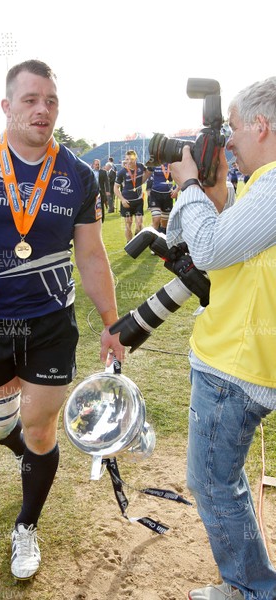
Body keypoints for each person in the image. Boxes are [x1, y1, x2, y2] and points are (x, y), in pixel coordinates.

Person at [0, 59, 124, 582]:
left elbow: (94, 255)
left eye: (51, 101)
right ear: (7, 106)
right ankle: (37, 462)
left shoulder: (78, 174)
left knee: (37, 428)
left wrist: (111, 320)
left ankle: (26, 524)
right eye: (31, 100)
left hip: (51, 323)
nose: (43, 110)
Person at [167, 76, 276, 600]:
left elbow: (206, 250)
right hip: (238, 358)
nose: (229, 141)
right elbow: (227, 246)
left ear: (262, 124)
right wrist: (211, 192)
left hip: (236, 366)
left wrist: (190, 185)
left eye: (233, 129)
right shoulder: (265, 184)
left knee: (213, 485)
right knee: (219, 482)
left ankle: (252, 590)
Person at [113, 150, 151, 241]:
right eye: (127, 159)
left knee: (139, 223)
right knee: (128, 225)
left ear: (135, 158)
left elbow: (148, 172)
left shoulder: (141, 166)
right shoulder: (122, 172)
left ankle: (138, 236)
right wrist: (122, 200)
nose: (129, 161)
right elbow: (115, 188)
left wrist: (141, 181)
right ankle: (129, 243)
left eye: (131, 159)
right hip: (127, 202)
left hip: (138, 200)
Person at [146, 163, 178, 233]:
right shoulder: (155, 161)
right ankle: (152, 241)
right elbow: (146, 175)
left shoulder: (172, 162)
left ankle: (162, 241)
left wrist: (176, 190)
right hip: (155, 194)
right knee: (156, 220)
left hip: (168, 196)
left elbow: (179, 178)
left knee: (164, 224)